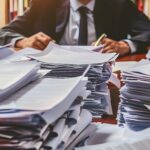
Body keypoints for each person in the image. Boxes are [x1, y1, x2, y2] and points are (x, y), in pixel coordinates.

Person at [0, 0, 150, 56]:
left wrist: (125, 45)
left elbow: (147, 30)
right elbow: (4, 32)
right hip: (53, 74)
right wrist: (23, 41)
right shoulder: (44, 4)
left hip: (104, 75)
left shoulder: (119, 4)